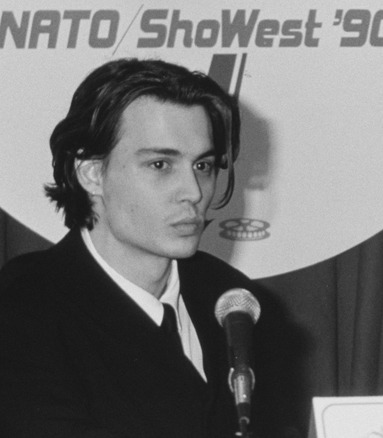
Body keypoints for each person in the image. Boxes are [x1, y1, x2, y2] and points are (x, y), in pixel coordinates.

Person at [0, 58, 299, 437]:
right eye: (160, 165)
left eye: (203, 166)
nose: (193, 192)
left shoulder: (235, 301)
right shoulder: (22, 309)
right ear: (92, 173)